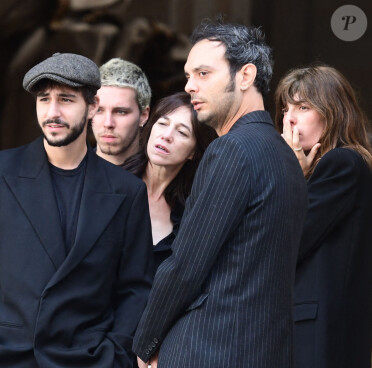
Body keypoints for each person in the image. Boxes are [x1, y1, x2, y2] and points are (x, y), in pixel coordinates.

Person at [0, 52, 153, 368]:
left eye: (66, 100)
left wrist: (114, 356)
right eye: (44, 100)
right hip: (6, 358)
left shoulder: (127, 192)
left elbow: (134, 289)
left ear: (92, 107)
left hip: (87, 360)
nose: (52, 112)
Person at [132, 19, 308, 368]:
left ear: (245, 76)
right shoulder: (286, 156)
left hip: (209, 348)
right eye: (188, 75)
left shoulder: (231, 150)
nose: (190, 86)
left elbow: (185, 265)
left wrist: (144, 343)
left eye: (203, 73)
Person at [274, 64, 372, 368]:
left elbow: (290, 240)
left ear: (332, 113)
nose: (289, 117)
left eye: (303, 107)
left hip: (318, 333)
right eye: (286, 107)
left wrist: (292, 175)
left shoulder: (342, 162)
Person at [122, 92, 216, 269]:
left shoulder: (193, 211)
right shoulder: (113, 185)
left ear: (193, 153)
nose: (166, 135)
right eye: (163, 123)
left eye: (181, 132)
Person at [92, 58, 152, 165]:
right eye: (99, 110)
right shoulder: (68, 173)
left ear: (143, 115)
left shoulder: (159, 177)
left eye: (121, 112)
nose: (108, 123)